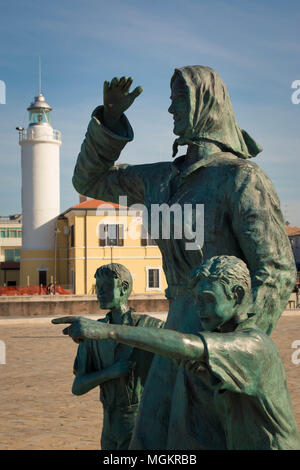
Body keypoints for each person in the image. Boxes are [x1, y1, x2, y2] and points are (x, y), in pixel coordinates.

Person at [70, 66, 296, 449]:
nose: (170, 108)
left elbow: (276, 271)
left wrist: (236, 348)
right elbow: (87, 181)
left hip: (217, 335)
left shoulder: (241, 178)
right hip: (173, 332)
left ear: (205, 104)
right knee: (151, 441)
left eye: (180, 98)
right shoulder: (159, 179)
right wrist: (109, 121)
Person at [53, 256, 300, 450]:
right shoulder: (228, 342)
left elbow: (188, 344)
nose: (199, 310)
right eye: (196, 300)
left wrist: (108, 332)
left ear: (236, 295)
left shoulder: (253, 345)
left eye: (206, 299)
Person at [66, 263, 164, 450]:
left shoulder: (152, 327)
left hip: (141, 424)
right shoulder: (92, 333)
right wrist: (110, 372)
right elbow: (78, 387)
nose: (99, 293)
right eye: (97, 288)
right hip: (109, 426)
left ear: (124, 288)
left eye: (106, 287)